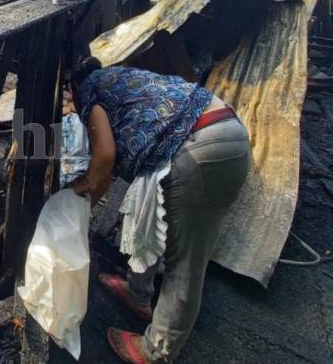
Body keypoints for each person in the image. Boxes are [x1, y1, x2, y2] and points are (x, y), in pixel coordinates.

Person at [68, 58, 250, 364]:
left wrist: (81, 205)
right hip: (224, 130)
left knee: (185, 260)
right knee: (148, 214)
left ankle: (157, 350)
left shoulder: (89, 91)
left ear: (73, 86)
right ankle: (138, 294)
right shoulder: (119, 77)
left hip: (198, 150)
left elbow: (105, 159)